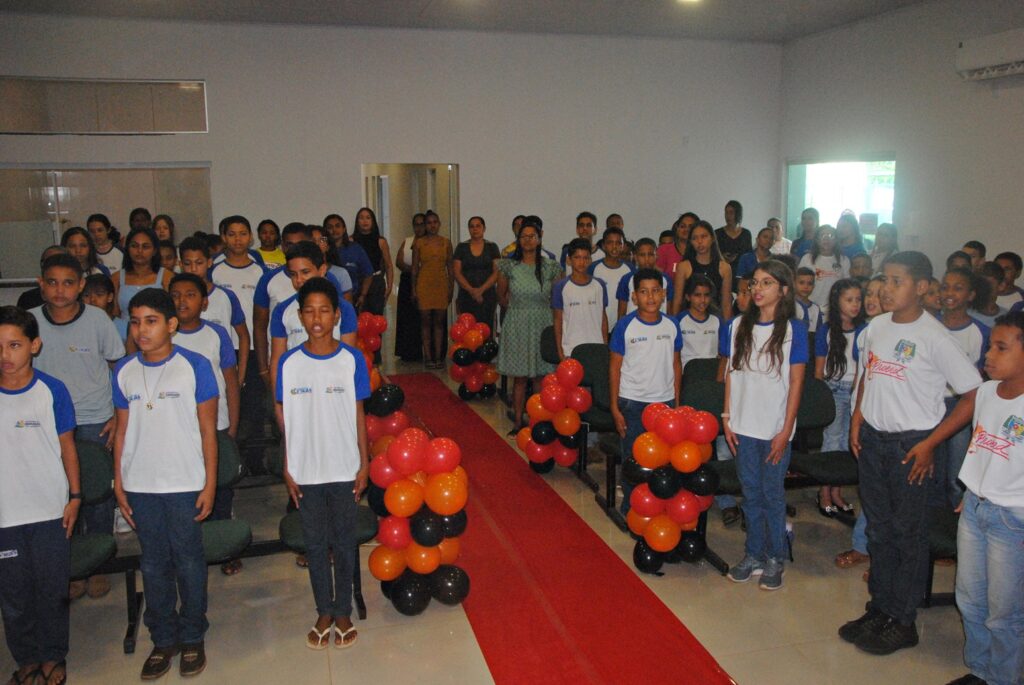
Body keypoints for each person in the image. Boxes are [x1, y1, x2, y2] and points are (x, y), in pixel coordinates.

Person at [842, 251, 982, 656]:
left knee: (907, 533)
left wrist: (932, 442)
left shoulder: (934, 337)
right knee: (879, 529)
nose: (886, 289)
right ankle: (880, 608)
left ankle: (903, 620)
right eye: (884, 279)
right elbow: (867, 375)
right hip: (873, 440)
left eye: (896, 281)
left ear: (921, 287)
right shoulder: (877, 326)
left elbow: (973, 395)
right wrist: (857, 419)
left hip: (911, 446)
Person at [112, 288, 219, 679]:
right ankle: (163, 638)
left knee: (188, 561)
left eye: (151, 321)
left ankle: (192, 635)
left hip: (184, 481)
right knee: (153, 563)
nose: (142, 330)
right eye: (135, 322)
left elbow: (208, 431)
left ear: (171, 324)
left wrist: (209, 484)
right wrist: (119, 482)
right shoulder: (124, 370)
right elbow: (122, 432)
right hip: (140, 484)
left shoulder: (195, 366)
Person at [913, 311, 1024, 685]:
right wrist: (971, 489)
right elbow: (980, 446)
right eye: (990, 346)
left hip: (1014, 518)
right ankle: (980, 669)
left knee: (1004, 613)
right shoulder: (988, 393)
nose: (988, 355)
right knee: (970, 599)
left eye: (1001, 348)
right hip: (975, 508)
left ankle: (1003, 678)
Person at [275, 277, 369, 651]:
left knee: (344, 543)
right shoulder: (289, 363)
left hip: (344, 466)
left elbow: (359, 413)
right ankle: (323, 611)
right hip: (306, 470)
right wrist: (287, 465)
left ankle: (343, 610)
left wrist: (363, 463)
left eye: (324, 311)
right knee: (315, 545)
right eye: (309, 311)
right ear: (300, 316)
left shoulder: (351, 359)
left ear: (337, 316)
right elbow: (287, 420)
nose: (317, 319)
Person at [30, 253, 124, 600]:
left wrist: (117, 416)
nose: (60, 290)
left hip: (94, 419)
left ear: (81, 285)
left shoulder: (98, 319)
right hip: (46, 423)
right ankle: (71, 565)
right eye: (52, 282)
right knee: (60, 495)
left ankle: (99, 564)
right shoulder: (29, 321)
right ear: (41, 285)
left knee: (97, 495)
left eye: (68, 283)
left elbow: (118, 366)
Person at [0, 306, 81, 685]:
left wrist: (75, 496)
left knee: (52, 590)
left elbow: (68, 448)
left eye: (14, 345)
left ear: (34, 345)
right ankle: (27, 658)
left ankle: (53, 655)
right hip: (6, 515)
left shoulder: (52, 391)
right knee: (14, 594)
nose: (5, 354)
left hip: (50, 509)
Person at [723, 261, 807, 591]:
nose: (757, 289)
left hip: (774, 429)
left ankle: (775, 557)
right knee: (750, 493)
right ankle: (754, 553)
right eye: (754, 283)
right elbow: (732, 373)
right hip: (743, 426)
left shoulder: (794, 330)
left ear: (783, 290)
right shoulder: (737, 326)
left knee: (772, 495)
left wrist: (785, 430)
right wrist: (727, 417)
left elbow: (796, 382)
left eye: (767, 283)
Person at [168, 274, 241, 571]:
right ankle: (190, 550)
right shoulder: (164, 334)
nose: (182, 301)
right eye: (175, 295)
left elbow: (231, 381)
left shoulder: (217, 334)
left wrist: (232, 424)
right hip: (177, 429)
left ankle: (226, 549)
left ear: (204, 302)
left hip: (216, 422)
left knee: (221, 489)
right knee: (187, 490)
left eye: (190, 295)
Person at [610, 268, 682, 513]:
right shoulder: (625, 326)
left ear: (663, 294)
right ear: (634, 297)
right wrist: (614, 407)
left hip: (664, 403)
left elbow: (676, 364)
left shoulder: (672, 325)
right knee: (634, 458)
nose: (650, 297)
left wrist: (677, 403)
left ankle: (657, 505)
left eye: (655, 291)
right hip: (633, 402)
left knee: (662, 458)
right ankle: (631, 507)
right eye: (643, 292)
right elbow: (614, 368)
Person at [209, 216, 267, 469]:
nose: (237, 239)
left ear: (250, 237)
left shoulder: (259, 270)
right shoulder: (215, 269)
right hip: (223, 348)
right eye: (231, 234)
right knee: (227, 405)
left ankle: (255, 461)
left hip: (253, 348)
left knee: (253, 406)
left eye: (243, 233)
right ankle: (231, 459)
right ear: (224, 237)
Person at [496, 219, 563, 434]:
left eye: (531, 236)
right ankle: (517, 421)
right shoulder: (509, 266)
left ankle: (538, 421)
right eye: (523, 236)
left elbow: (557, 299)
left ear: (539, 238)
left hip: (543, 323)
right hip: (517, 324)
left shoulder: (551, 267)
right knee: (520, 378)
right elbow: (501, 296)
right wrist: (520, 310)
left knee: (540, 377)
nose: (527, 240)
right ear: (518, 239)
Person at [269, 241, 358, 393]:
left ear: (322, 270)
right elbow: (277, 360)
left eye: (305, 272)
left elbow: (348, 358)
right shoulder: (282, 310)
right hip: (297, 388)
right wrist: (278, 401)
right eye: (293, 274)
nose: (299, 280)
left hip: (334, 387)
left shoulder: (343, 309)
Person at [935, 268, 989, 509]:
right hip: (930, 403)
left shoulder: (980, 332)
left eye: (958, 288)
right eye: (945, 287)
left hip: (961, 406)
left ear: (971, 295)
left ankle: (956, 519)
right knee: (931, 468)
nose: (949, 293)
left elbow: (983, 375)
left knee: (956, 471)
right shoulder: (929, 325)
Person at [814, 279, 866, 517]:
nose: (855, 304)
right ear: (837, 302)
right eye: (849, 300)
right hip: (833, 388)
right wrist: (820, 394)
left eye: (858, 299)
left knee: (847, 443)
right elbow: (819, 368)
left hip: (855, 391)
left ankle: (837, 491)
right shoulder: (826, 330)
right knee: (831, 441)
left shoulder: (865, 330)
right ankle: (824, 492)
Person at [178, 236, 251, 370]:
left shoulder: (226, 296)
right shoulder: (174, 299)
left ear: (209, 262)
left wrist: (240, 373)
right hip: (183, 370)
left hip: (221, 371)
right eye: (188, 263)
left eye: (199, 263)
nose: (193, 269)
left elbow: (243, 336)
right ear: (180, 264)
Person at [552, 238, 608, 361]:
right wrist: (561, 353)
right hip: (570, 350)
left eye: (586, 258)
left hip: (597, 348)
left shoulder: (599, 285)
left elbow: (603, 318)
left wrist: (605, 346)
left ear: (590, 260)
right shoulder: (560, 287)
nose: (582, 262)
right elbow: (557, 321)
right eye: (577, 257)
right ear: (569, 260)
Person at [412, 210, 454, 369]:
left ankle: (438, 357)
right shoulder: (419, 243)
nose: (432, 225)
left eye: (435, 222)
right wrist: (413, 289)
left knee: (439, 323)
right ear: (425, 225)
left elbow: (450, 268)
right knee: (425, 322)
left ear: (439, 224)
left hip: (441, 283)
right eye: (429, 223)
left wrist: (451, 288)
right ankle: (428, 357)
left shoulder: (446, 243)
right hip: (424, 283)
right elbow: (414, 268)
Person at [670, 221, 733, 320]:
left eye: (704, 236)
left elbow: (726, 304)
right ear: (691, 242)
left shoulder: (724, 268)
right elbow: (677, 301)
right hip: (688, 321)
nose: (699, 241)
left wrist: (727, 326)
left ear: (712, 238)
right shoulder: (684, 267)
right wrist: (675, 324)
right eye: (695, 238)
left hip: (715, 320)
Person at [113, 227, 174, 320]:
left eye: (145, 247)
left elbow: (171, 312)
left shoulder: (166, 277)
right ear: (127, 248)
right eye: (134, 246)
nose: (139, 251)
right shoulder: (116, 278)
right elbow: (114, 314)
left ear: (154, 250)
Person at [453, 216, 500, 332]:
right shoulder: (461, 247)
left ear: (484, 228)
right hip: (466, 296)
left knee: (486, 330)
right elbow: (457, 272)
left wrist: (481, 290)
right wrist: (472, 290)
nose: (475, 229)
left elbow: (496, 272)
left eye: (478, 226)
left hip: (487, 296)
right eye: (472, 226)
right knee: (467, 331)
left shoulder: (492, 247)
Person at [797, 224, 849, 316]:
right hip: (810, 308)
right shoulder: (807, 258)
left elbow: (846, 286)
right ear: (817, 240)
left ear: (836, 240)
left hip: (834, 309)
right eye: (822, 235)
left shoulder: (844, 260)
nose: (826, 239)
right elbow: (799, 283)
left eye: (830, 235)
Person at [588, 227, 633, 331]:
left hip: (622, 325)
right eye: (610, 243)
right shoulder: (593, 268)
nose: (614, 247)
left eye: (618, 243)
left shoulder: (630, 269)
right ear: (604, 246)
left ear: (623, 246)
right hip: (598, 325)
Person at [395, 214, 426, 362]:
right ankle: (406, 351)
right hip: (407, 282)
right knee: (407, 317)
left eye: (422, 224)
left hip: (425, 282)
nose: (419, 227)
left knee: (422, 318)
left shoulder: (430, 242)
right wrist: (413, 270)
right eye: (416, 224)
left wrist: (418, 271)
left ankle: (423, 350)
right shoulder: (407, 241)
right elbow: (399, 261)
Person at [678, 275, 722, 376]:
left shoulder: (717, 321)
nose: (703, 300)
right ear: (688, 297)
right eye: (697, 295)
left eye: (706, 295)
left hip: (711, 375)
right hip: (688, 376)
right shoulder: (679, 321)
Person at [351, 207, 393, 315]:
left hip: (376, 282)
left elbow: (388, 265)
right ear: (357, 221)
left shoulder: (381, 241)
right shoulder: (351, 241)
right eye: (361, 218)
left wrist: (389, 286)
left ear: (373, 221)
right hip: (358, 282)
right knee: (358, 316)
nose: (365, 221)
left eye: (368, 218)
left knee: (376, 317)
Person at [618, 238, 673, 319]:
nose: (647, 259)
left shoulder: (666, 279)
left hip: (659, 325)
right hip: (633, 325)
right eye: (642, 255)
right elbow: (622, 312)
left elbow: (669, 311)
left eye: (650, 254)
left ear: (656, 256)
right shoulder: (627, 279)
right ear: (635, 257)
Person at [326, 214, 374, 304]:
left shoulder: (355, 249)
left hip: (353, 297)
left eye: (337, 226)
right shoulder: (322, 251)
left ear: (344, 229)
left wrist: (363, 295)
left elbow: (368, 273)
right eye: (330, 227)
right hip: (327, 298)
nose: (334, 230)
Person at [82, 273, 129, 341]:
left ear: (110, 297)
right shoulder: (77, 325)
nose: (92, 300)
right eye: (86, 295)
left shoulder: (125, 327)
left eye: (99, 295)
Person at [656, 212, 699, 276]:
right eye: (682, 226)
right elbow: (658, 276)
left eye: (690, 227)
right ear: (677, 228)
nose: (686, 229)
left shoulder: (701, 252)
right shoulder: (664, 250)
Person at [715, 200, 751, 272]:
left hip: (741, 272)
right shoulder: (717, 233)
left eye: (731, 213)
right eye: (726, 213)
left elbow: (749, 255)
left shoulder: (746, 234)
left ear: (738, 214)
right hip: (722, 270)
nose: (728, 216)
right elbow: (712, 254)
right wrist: (721, 256)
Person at [968, 263, 1008, 328]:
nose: (983, 287)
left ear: (1001, 286)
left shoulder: (1006, 317)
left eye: (988, 284)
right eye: (980, 283)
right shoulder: (964, 314)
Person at [794, 266, 823, 338]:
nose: (806, 286)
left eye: (810, 283)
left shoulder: (816, 308)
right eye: (801, 283)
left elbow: (819, 332)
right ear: (794, 284)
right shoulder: (789, 305)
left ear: (814, 286)